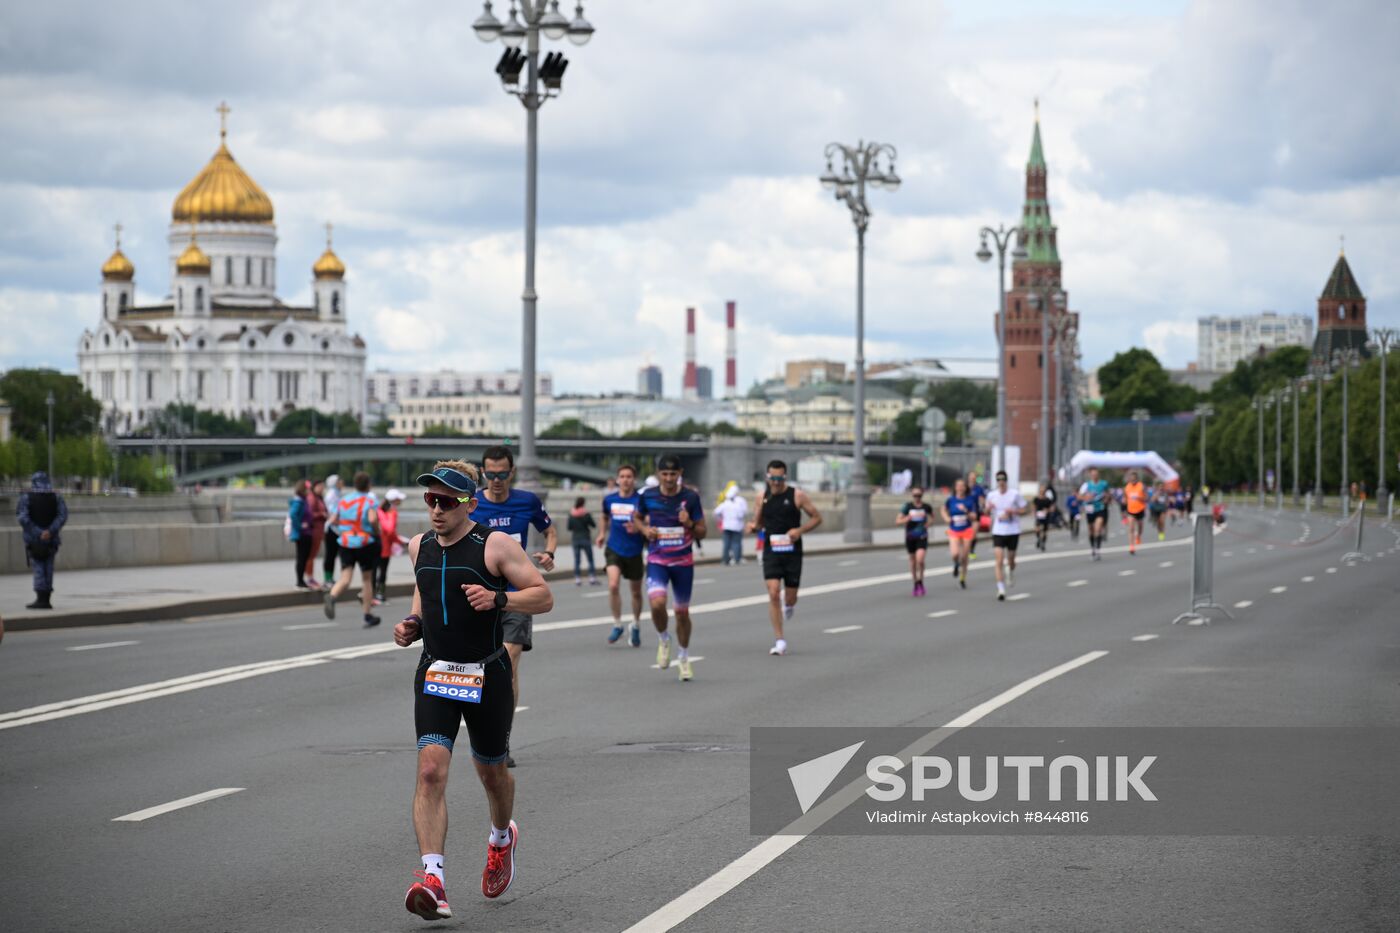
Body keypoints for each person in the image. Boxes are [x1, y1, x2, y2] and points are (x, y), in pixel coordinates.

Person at [396, 460, 553, 919]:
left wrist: (499, 598)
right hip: (436, 672)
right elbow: (425, 597)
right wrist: (413, 625)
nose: (437, 510)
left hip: (486, 675)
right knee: (430, 771)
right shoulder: (417, 546)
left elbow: (543, 596)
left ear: (470, 503)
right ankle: (434, 880)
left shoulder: (495, 546)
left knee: (492, 773)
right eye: (430, 500)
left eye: (447, 501)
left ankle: (502, 838)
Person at [470, 445, 556, 766]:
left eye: (502, 474)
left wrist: (550, 552)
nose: (496, 480)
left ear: (512, 472)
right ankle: (482, 728)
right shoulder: (472, 504)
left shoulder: (527, 502)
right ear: (483, 473)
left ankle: (501, 740)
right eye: (490, 474)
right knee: (478, 667)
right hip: (478, 596)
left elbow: (550, 530)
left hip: (516, 594)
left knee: (508, 663)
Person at [632, 454, 707, 681]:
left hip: (683, 562)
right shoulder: (648, 495)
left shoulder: (691, 498)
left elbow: (703, 531)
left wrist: (689, 523)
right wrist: (645, 531)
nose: (668, 478)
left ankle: (683, 656)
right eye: (664, 474)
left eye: (673, 474)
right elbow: (637, 518)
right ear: (658, 474)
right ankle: (664, 638)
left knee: (682, 613)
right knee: (657, 603)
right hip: (657, 560)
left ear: (680, 473)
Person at [746, 460, 822, 656]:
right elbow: (759, 523)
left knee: (790, 597)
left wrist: (800, 530)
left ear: (785, 477)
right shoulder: (761, 497)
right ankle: (780, 640)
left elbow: (817, 517)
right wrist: (753, 527)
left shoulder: (797, 496)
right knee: (772, 592)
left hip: (792, 552)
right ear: (767, 477)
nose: (776, 483)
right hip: (771, 550)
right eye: (773, 478)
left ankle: (789, 605)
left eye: (780, 479)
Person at [323, 470, 381, 627]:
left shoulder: (344, 500)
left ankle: (333, 596)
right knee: (367, 579)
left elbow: (333, 519)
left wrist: (345, 529)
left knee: (345, 578)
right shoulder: (369, 501)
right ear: (368, 485)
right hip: (364, 542)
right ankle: (367, 615)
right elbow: (372, 518)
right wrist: (376, 531)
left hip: (345, 542)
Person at [599, 464, 645, 647]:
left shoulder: (640, 500)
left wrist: (638, 528)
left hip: (634, 550)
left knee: (635, 591)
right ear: (618, 480)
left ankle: (635, 623)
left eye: (629, 476)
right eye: (622, 476)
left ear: (634, 480)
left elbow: (647, 520)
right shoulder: (609, 499)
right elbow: (604, 516)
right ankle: (617, 624)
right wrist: (602, 533)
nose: (625, 480)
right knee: (613, 584)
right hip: (614, 548)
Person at [17, 471, 67, 610]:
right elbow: (62, 516)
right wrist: (50, 531)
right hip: (52, 540)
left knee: (38, 568)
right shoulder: (56, 497)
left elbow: (23, 518)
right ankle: (47, 599)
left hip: (34, 540)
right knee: (48, 568)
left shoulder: (27, 497)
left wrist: (39, 532)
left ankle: (40, 599)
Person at [986, 470, 1029, 601]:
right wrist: (988, 508)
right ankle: (1001, 589)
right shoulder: (992, 495)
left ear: (1006, 480)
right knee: (998, 560)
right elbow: (986, 511)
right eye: (998, 480)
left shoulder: (1014, 494)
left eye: (1003, 479)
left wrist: (1014, 511)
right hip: (998, 531)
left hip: (1013, 530)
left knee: (1011, 560)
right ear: (996, 481)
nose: (1001, 482)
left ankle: (1010, 571)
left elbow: (1025, 509)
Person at [941, 478, 978, 589]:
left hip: (966, 529)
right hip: (954, 529)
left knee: (964, 556)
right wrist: (946, 518)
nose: (960, 488)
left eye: (962, 486)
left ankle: (963, 577)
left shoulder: (970, 500)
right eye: (958, 486)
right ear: (955, 488)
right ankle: (956, 564)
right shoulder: (951, 500)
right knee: (955, 554)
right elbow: (943, 509)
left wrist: (966, 510)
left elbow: (975, 517)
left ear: (965, 488)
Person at [896, 486, 931, 596]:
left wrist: (928, 524)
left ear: (922, 495)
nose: (917, 498)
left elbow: (932, 517)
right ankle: (915, 582)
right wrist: (907, 519)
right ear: (912, 496)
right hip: (910, 536)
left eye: (919, 496)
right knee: (912, 560)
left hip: (922, 536)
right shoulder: (907, 507)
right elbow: (897, 521)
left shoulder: (926, 507)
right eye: (915, 495)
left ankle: (921, 579)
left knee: (920, 559)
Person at [376, 489, 409, 603]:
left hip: (374, 544)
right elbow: (390, 531)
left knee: (374, 569)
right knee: (383, 571)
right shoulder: (392, 512)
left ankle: (372, 593)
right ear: (394, 500)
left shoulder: (379, 510)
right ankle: (380, 593)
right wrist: (400, 540)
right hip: (384, 546)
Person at [1078, 467, 1111, 561]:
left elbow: (1108, 494)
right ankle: (1093, 548)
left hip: (1100, 508)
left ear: (1098, 475)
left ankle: (1097, 550)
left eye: (1096, 474)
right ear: (1090, 475)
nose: (1094, 476)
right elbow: (1080, 496)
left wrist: (1106, 498)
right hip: (1090, 509)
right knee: (1091, 531)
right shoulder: (1086, 485)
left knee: (1098, 528)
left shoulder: (1104, 484)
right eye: (1092, 474)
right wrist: (1087, 497)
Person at [713, 485, 749, 566]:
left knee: (726, 543)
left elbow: (716, 512)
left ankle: (725, 559)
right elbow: (742, 514)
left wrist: (720, 519)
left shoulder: (725, 503)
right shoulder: (739, 502)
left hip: (726, 526)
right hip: (737, 526)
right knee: (736, 543)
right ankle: (737, 558)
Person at [567, 496, 599, 586]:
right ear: (583, 503)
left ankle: (577, 578)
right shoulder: (586, 514)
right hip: (585, 538)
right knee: (590, 559)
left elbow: (569, 527)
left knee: (577, 560)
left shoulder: (571, 514)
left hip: (575, 539)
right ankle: (592, 578)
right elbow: (593, 525)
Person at [304, 479, 329, 590]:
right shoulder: (312, 498)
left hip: (319, 530)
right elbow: (310, 514)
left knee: (312, 555)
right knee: (310, 555)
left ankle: (310, 577)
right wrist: (322, 514)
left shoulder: (318, 498)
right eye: (320, 486)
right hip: (314, 530)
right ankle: (309, 577)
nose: (322, 488)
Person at [289, 479, 312, 590]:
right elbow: (293, 515)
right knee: (301, 558)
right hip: (302, 534)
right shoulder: (299, 501)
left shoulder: (303, 500)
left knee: (304, 557)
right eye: (308, 488)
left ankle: (301, 580)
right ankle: (299, 581)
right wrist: (300, 526)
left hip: (306, 533)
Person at [321, 473, 342, 585]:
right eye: (339, 481)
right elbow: (332, 514)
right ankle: (327, 578)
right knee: (330, 554)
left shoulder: (336, 494)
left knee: (333, 555)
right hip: (332, 528)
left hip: (337, 528)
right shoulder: (332, 495)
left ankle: (330, 577)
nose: (342, 483)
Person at [1123, 470, 1147, 555]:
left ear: (1137, 479)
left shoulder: (1141, 486)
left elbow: (1146, 498)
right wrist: (1124, 503)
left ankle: (1138, 536)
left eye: (1134, 479)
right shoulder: (1127, 487)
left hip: (1140, 509)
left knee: (1140, 527)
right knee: (1131, 528)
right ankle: (1131, 546)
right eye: (1131, 479)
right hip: (1130, 510)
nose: (1132, 480)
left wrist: (1139, 498)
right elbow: (1125, 499)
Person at [966, 470, 987, 561]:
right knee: (965, 533)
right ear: (968, 478)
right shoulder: (964, 487)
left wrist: (983, 505)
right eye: (971, 477)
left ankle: (971, 551)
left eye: (974, 477)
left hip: (976, 513)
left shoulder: (979, 489)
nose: (972, 478)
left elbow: (982, 499)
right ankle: (965, 550)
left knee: (973, 534)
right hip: (965, 514)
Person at [1033, 481, 1055, 552]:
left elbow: (1052, 508)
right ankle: (1039, 539)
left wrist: (1047, 510)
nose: (1042, 491)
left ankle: (1043, 543)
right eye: (1041, 490)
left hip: (1046, 517)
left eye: (1043, 490)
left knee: (1045, 532)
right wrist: (1034, 513)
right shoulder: (1036, 499)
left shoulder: (1048, 500)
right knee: (1037, 529)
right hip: (1038, 516)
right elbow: (1034, 507)